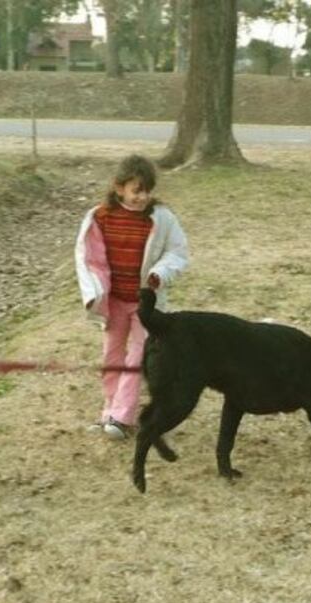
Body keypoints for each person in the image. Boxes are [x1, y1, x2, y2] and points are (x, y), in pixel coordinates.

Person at [74, 154, 189, 440]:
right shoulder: (100, 218)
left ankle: (123, 417)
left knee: (137, 357)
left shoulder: (162, 218)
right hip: (113, 302)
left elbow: (178, 252)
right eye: (137, 190)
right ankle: (110, 411)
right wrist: (94, 292)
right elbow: (91, 261)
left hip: (145, 304)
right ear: (119, 187)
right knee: (111, 355)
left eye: (147, 190)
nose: (143, 196)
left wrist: (159, 275)